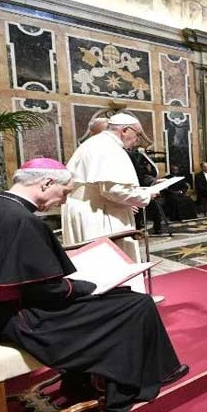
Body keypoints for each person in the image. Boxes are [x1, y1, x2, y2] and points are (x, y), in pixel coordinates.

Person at [0, 158, 188, 412]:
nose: (63, 201)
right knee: (135, 303)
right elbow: (47, 291)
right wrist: (85, 286)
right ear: (47, 182)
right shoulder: (23, 221)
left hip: (8, 311)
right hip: (24, 319)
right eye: (64, 193)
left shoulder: (2, 206)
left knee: (121, 299)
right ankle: (134, 379)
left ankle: (86, 379)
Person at [62, 113, 155, 293]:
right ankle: (118, 303)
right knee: (105, 266)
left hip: (89, 207)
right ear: (124, 130)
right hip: (97, 213)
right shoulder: (109, 148)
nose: (137, 140)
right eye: (137, 134)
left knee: (91, 264)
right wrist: (147, 196)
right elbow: (114, 190)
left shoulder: (94, 143)